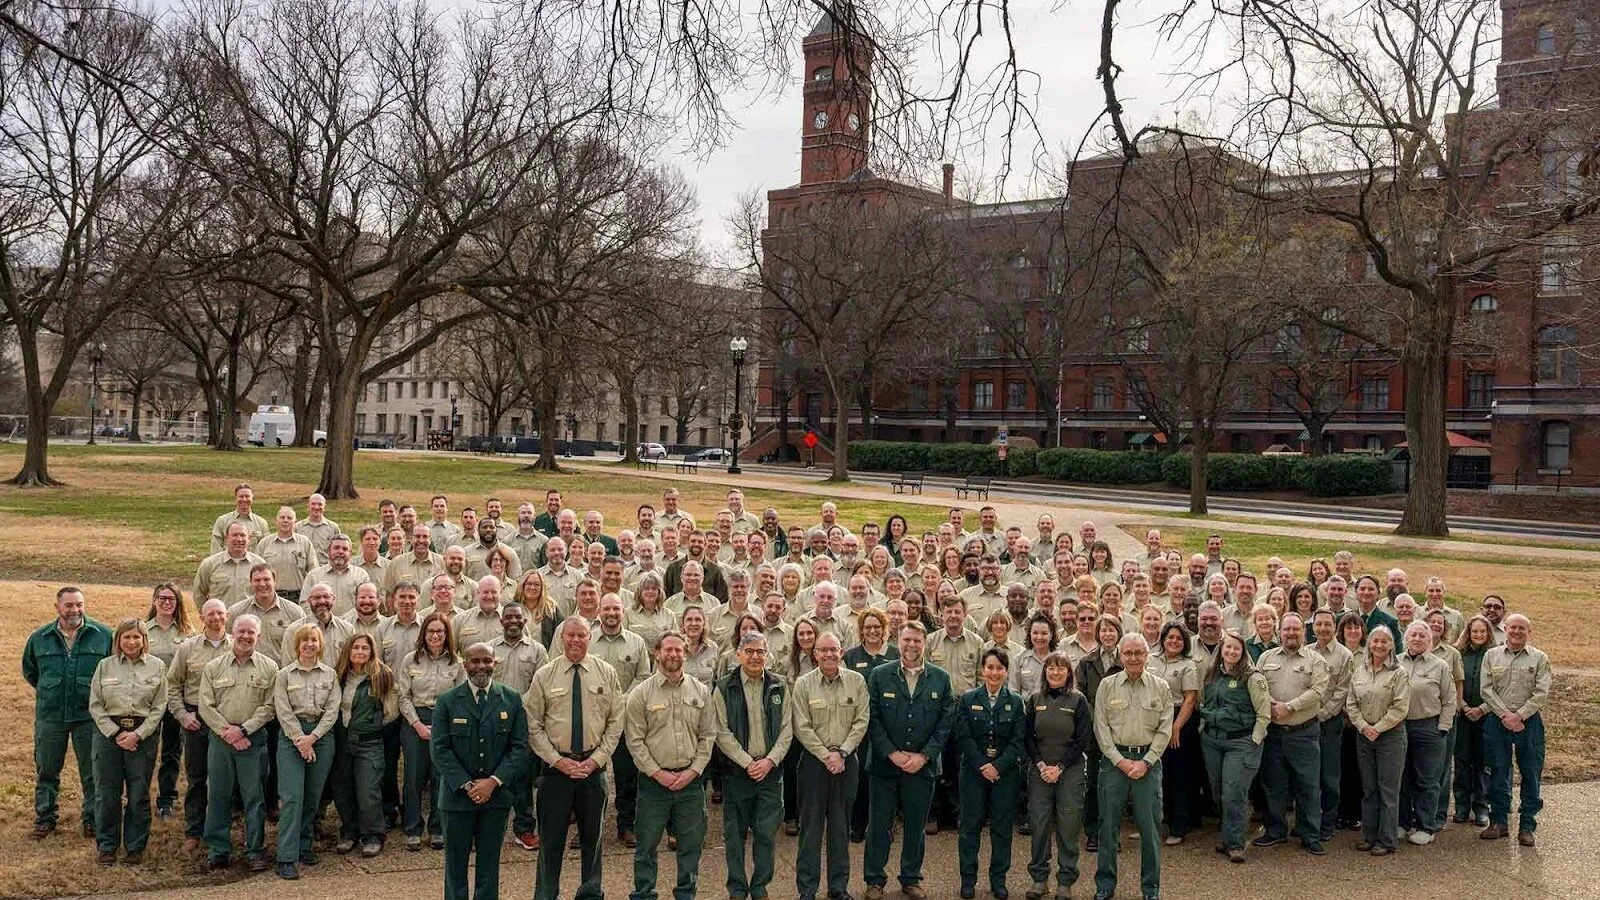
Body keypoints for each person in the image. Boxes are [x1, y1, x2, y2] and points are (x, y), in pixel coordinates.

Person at [527, 617, 627, 900]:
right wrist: (558, 761)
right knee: (551, 843)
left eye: (581, 635)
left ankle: (591, 893)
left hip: (592, 772)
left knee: (592, 843)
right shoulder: (545, 675)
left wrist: (596, 760)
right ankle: (547, 895)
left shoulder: (606, 673)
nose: (575, 640)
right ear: (561, 638)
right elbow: (533, 725)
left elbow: (616, 721)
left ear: (589, 638)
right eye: (570, 635)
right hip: (556, 772)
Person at [864, 622, 955, 900]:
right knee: (879, 824)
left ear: (925, 643)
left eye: (917, 640)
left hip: (922, 766)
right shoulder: (880, 675)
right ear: (898, 641)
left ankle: (911, 878)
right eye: (906, 640)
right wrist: (892, 753)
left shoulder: (940, 678)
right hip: (884, 765)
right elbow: (873, 718)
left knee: (916, 826)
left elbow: (945, 722)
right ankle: (875, 880)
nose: (911, 645)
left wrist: (924, 755)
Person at [433, 642, 530, 900]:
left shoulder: (511, 698)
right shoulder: (447, 701)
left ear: (495, 663)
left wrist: (493, 782)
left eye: (487, 661)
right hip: (456, 800)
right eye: (475, 661)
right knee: (455, 867)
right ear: (464, 665)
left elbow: (519, 748)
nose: (481, 667)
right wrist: (468, 785)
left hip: (495, 798)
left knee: (489, 866)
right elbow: (440, 750)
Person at [625, 631, 716, 900]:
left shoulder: (700, 691)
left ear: (685, 654)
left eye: (679, 650)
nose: (673, 654)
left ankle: (686, 893)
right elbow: (635, 741)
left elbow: (708, 735)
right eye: (668, 650)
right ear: (657, 653)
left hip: (690, 784)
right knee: (646, 846)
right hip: (654, 785)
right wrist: (658, 773)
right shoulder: (641, 694)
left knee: (690, 845)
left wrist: (692, 771)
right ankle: (644, 893)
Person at [24, 586, 114, 841]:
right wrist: (53, 691)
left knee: (92, 772)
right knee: (47, 770)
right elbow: (31, 672)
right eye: (69, 605)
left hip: (89, 717)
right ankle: (45, 819)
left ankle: (92, 821)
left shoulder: (103, 635)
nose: (75, 610)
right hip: (50, 717)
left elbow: (112, 672)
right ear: (57, 607)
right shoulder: (39, 638)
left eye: (79, 604)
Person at [1091, 634, 1173, 900]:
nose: (1134, 657)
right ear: (1121, 656)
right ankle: (1105, 885)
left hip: (1148, 764)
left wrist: (1146, 761)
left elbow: (1164, 729)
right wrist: (1121, 761)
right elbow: (1101, 728)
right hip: (1115, 764)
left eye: (1139, 653)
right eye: (1129, 653)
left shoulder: (1161, 687)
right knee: (1108, 827)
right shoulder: (1107, 685)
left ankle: (1151, 888)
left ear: (1147, 655)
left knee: (1150, 830)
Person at [198, 614, 279, 872]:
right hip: (221, 740)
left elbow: (270, 707)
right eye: (241, 631)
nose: (246, 636)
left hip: (253, 740)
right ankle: (218, 849)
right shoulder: (214, 667)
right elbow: (205, 705)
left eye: (251, 632)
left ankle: (255, 850)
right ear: (233, 633)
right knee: (219, 794)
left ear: (259, 635)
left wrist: (244, 730)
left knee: (253, 797)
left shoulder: (270, 668)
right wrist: (228, 732)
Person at [792, 632, 871, 900]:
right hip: (814, 764)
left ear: (841, 651)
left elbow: (861, 721)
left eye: (833, 650)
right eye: (822, 650)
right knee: (810, 830)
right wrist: (827, 755)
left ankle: (838, 887)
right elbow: (801, 726)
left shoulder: (856, 681)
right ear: (815, 654)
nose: (828, 654)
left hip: (847, 762)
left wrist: (843, 753)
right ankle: (807, 889)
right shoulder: (803, 685)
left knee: (840, 828)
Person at [714, 631, 792, 900]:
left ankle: (760, 887)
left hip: (770, 774)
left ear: (767, 655)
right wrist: (749, 763)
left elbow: (786, 729)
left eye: (760, 651)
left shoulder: (779, 685)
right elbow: (721, 732)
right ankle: (737, 888)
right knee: (735, 838)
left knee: (766, 835)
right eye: (750, 651)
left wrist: (769, 761)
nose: (755, 656)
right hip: (738, 773)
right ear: (739, 655)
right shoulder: (724, 687)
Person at [86, 618, 167, 866]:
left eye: (136, 637)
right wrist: (116, 733)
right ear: (118, 641)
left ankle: (135, 847)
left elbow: (159, 706)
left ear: (144, 640)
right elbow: (96, 705)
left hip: (142, 736)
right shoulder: (105, 666)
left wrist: (138, 735)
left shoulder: (157, 666)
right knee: (106, 793)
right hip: (109, 736)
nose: (131, 642)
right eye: (126, 637)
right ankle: (107, 846)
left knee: (138, 792)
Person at [1253, 613, 1329, 855]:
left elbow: (1318, 690)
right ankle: (1275, 830)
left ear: (1303, 633)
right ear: (1279, 632)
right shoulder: (1266, 657)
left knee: (1308, 785)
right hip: (1274, 733)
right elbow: (1257, 685)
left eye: (1296, 629)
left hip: (1303, 733)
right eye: (1286, 630)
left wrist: (1290, 706)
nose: (1291, 633)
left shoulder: (1315, 660)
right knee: (1274, 784)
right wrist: (1274, 704)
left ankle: (1309, 834)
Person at [955, 647, 1026, 900]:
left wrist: (998, 766)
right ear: (982, 670)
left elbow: (1019, 741)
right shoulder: (968, 699)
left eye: (999, 668)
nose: (994, 672)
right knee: (970, 826)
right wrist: (983, 765)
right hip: (974, 771)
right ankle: (968, 880)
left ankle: (998, 880)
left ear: (1006, 672)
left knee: (1002, 828)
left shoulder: (1016, 702)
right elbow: (962, 736)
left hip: (1004, 773)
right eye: (990, 667)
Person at [272, 623, 341, 879]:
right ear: (297, 645)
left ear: (320, 644)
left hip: (321, 737)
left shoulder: (330, 675)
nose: (310, 644)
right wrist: (301, 739)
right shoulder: (284, 675)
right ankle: (286, 857)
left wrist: (312, 738)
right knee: (292, 797)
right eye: (305, 640)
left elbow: (332, 711)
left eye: (314, 640)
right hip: (292, 737)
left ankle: (304, 845)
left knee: (313, 796)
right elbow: (283, 710)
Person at [1022, 650, 1091, 900]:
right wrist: (1041, 766)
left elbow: (1083, 739)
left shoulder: (1078, 700)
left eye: (1061, 668)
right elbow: (1027, 737)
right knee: (1039, 825)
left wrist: (1060, 767)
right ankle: (1039, 879)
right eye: (1051, 667)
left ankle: (1065, 880)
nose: (1055, 671)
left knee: (1068, 826)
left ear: (1069, 672)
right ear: (1045, 671)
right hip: (1040, 771)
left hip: (1069, 771)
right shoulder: (1034, 699)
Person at [165, 598, 233, 851]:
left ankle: (221, 829)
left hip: (225, 721)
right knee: (196, 777)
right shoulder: (188, 648)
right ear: (202, 618)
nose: (216, 618)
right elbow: (172, 684)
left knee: (224, 778)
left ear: (227, 616)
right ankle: (193, 831)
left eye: (220, 613)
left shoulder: (236, 646)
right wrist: (183, 715)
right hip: (196, 719)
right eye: (210, 614)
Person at [1199, 632, 1270, 863]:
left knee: (1234, 793)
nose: (1231, 652)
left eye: (1236, 649)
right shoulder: (1212, 674)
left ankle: (1236, 843)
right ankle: (1227, 835)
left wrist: (1255, 740)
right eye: (1227, 648)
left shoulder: (1252, 677)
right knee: (1218, 791)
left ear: (1242, 652)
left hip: (1240, 742)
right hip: (1212, 740)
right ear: (1221, 650)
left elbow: (1264, 712)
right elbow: (1204, 702)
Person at [1480, 613, 1549, 847]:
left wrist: (1519, 716)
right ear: (1505, 629)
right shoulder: (1491, 656)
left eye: (1522, 628)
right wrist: (1505, 715)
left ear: (1529, 632)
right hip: (1497, 721)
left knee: (1530, 772)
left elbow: (1541, 693)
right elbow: (1486, 690)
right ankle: (1498, 822)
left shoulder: (1539, 658)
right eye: (1513, 627)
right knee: (1497, 770)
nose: (1517, 632)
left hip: (1528, 723)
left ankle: (1527, 825)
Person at [398, 612, 464, 850]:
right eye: (431, 631)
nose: (435, 636)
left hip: (445, 723)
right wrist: (417, 725)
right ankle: (413, 828)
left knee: (440, 777)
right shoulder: (410, 660)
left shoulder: (456, 662)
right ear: (423, 634)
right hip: (415, 721)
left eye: (440, 631)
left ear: (447, 635)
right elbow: (403, 696)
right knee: (414, 777)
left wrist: (441, 728)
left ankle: (438, 828)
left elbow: (461, 698)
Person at [333, 633, 398, 859]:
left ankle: (373, 836)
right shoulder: (338, 676)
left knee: (368, 791)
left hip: (369, 742)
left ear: (372, 651)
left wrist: (372, 725)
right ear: (348, 651)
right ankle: (350, 833)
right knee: (343, 790)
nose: (360, 652)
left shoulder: (382, 676)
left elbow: (391, 711)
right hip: (342, 741)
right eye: (356, 647)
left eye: (365, 648)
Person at [1346, 625, 1410, 856]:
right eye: (1375, 641)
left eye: (1385, 641)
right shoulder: (1360, 671)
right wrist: (1364, 727)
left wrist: (1378, 728)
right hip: (1364, 736)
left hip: (1390, 737)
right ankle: (1369, 835)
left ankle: (1387, 839)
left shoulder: (1398, 672)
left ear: (1392, 645)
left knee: (1388, 789)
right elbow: (1351, 703)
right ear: (1369, 644)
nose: (1379, 645)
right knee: (1369, 788)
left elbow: (1400, 707)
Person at [1397, 620, 1454, 846]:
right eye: (1413, 635)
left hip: (1428, 728)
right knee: (1401, 777)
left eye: (1422, 635)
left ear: (1430, 641)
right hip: (1399, 727)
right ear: (1406, 638)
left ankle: (1425, 826)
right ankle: (1402, 823)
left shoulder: (1439, 666)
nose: (1417, 639)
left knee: (1427, 780)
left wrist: (1443, 727)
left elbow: (1450, 700)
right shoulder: (1395, 663)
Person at [144, 583, 194, 821]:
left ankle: (166, 799)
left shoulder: (187, 632)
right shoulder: (143, 630)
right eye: (162, 598)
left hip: (175, 700)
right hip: (148, 701)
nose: (166, 603)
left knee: (172, 751)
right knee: (146, 751)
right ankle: (139, 797)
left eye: (171, 599)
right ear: (154, 601)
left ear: (178, 603)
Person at [1073, 615, 1122, 852]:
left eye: (1112, 630)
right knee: (1093, 785)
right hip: (1093, 734)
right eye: (1104, 630)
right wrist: (1098, 720)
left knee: (1115, 787)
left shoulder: (1126, 662)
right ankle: (1092, 832)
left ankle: (1112, 834)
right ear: (1098, 633)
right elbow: (1080, 696)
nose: (1108, 634)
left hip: (1120, 732)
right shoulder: (1086, 663)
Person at [1147, 622, 1200, 845]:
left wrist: (1176, 726)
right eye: (1170, 637)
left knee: (1178, 775)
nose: (1174, 641)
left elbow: (1190, 698)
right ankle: (1155, 824)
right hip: (1153, 718)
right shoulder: (1151, 660)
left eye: (1179, 638)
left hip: (1179, 720)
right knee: (1157, 775)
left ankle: (1179, 827)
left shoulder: (1188, 665)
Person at [1308, 608, 1355, 846]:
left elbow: (1342, 691)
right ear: (1313, 626)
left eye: (1328, 624)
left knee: (1328, 776)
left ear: (1334, 627)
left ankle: (1327, 822)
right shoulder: (1306, 652)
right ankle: (1308, 822)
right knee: (1308, 777)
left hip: (1330, 723)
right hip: (1305, 724)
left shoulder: (1345, 656)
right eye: (1319, 624)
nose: (1323, 628)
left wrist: (1323, 714)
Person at [1452, 615, 1496, 827]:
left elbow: (1499, 687)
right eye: (1474, 631)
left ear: (1488, 634)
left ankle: (1481, 806)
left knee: (1483, 762)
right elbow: (1451, 683)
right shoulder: (1458, 654)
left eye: (1482, 631)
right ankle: (1461, 806)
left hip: (1486, 715)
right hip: (1462, 715)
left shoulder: (1495, 655)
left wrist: (1482, 709)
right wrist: (1464, 707)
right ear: (1468, 633)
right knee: (1462, 761)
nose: (1478, 635)